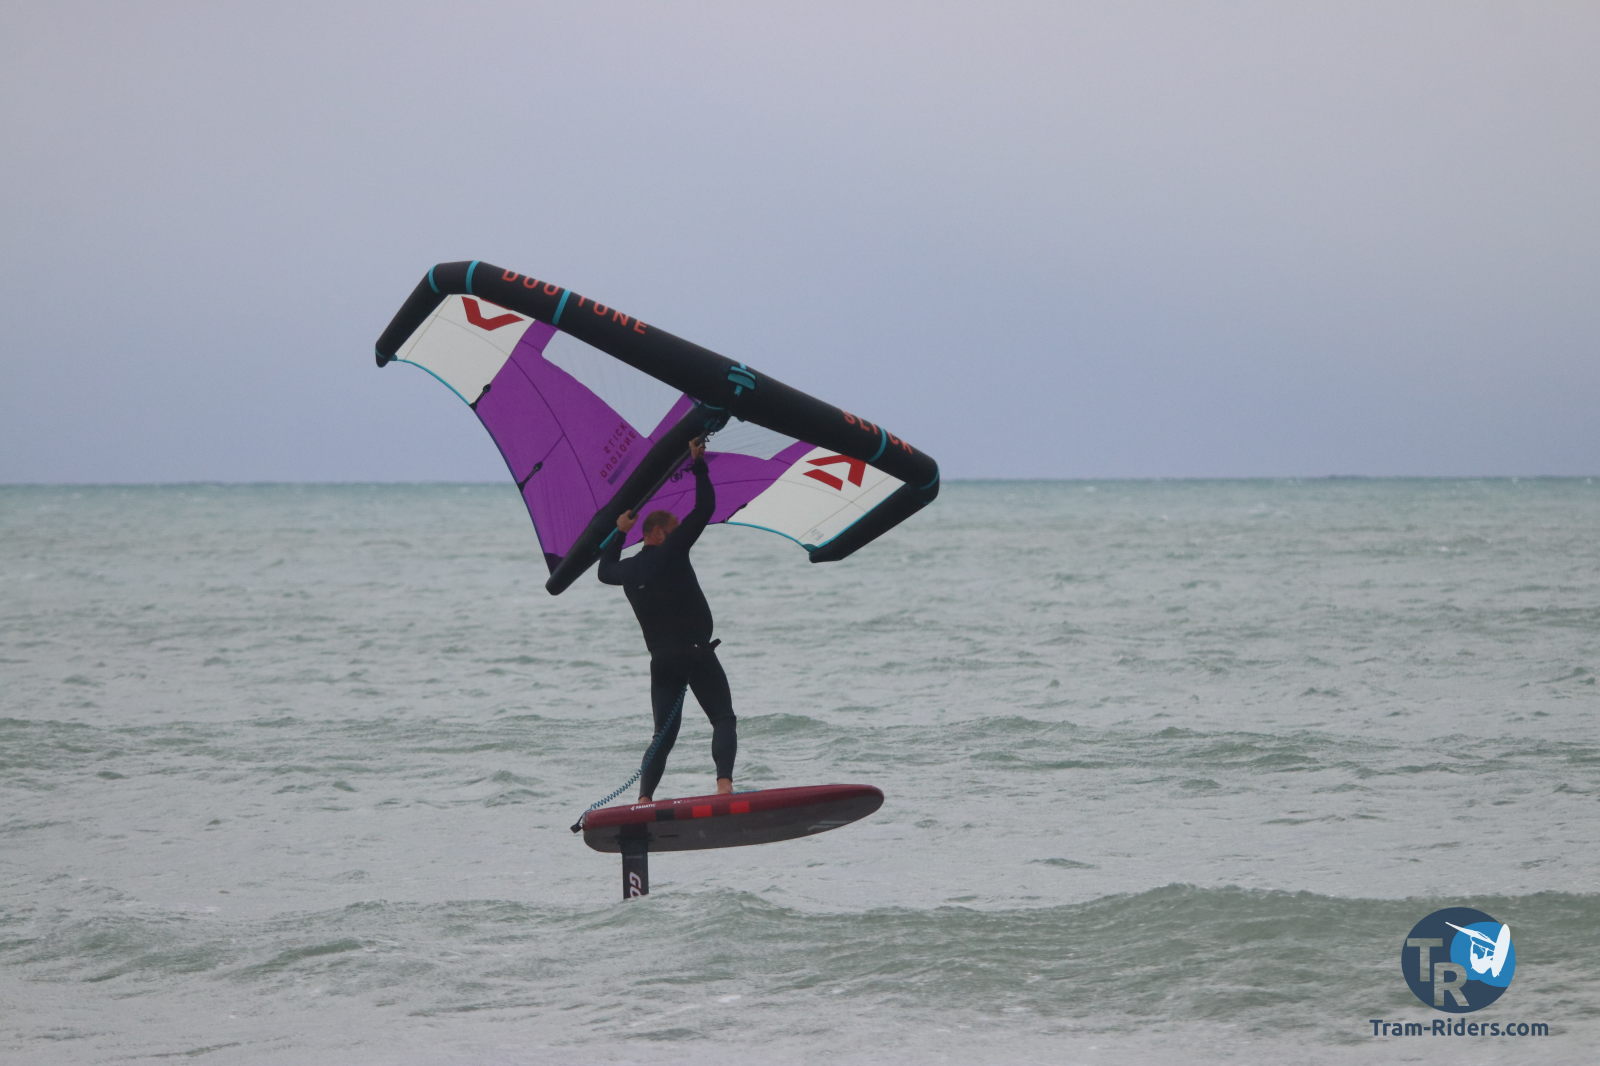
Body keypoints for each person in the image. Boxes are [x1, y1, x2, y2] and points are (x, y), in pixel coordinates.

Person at [597, 438, 736, 803]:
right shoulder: (672, 550)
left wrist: (619, 531)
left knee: (663, 734)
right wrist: (698, 464)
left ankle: (644, 799)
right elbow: (705, 508)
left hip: (662, 661)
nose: (678, 532)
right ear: (658, 533)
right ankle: (724, 786)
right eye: (673, 528)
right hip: (696, 654)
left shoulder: (627, 570)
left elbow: (603, 570)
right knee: (722, 719)